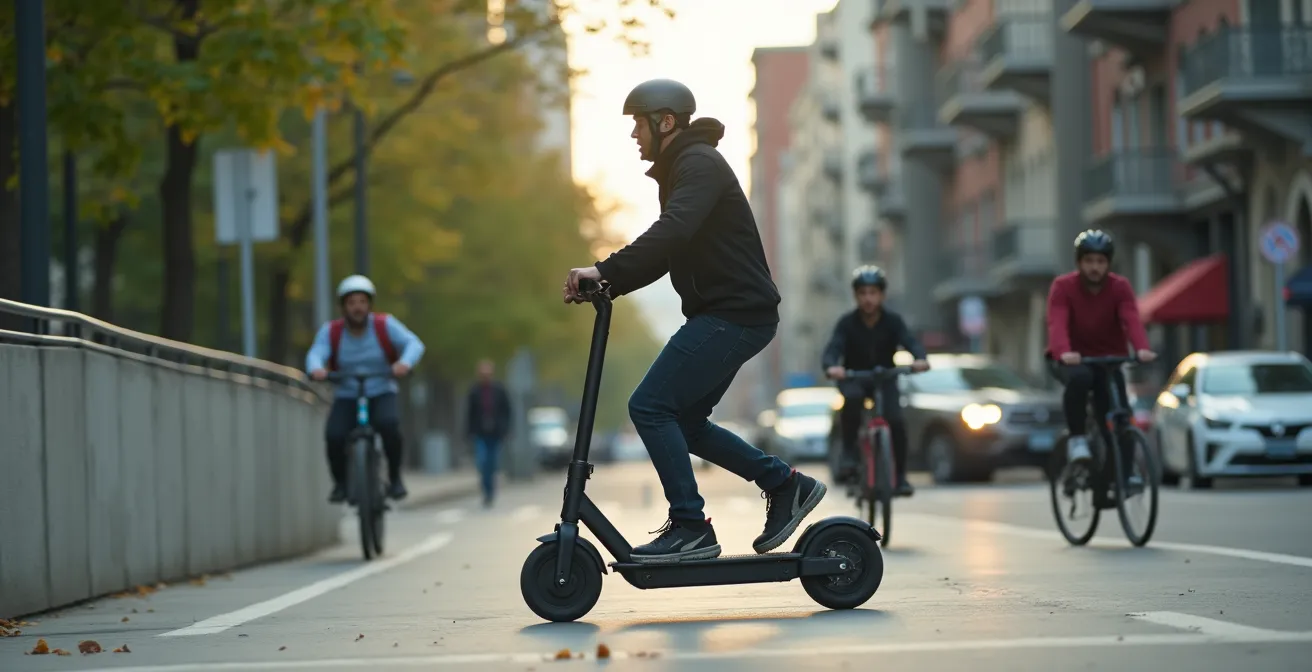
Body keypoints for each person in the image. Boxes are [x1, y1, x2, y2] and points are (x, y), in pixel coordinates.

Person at [561, 78, 826, 564]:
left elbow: (673, 232)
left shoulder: (698, 164)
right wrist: (608, 283)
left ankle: (690, 525)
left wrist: (604, 269)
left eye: (638, 124)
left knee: (650, 406)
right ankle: (785, 485)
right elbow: (671, 251)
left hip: (733, 314)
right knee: (685, 422)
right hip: (730, 314)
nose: (634, 135)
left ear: (665, 122)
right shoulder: (684, 168)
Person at [307, 275, 426, 503]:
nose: (357, 308)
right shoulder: (331, 331)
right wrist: (316, 369)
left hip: (381, 389)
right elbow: (316, 353)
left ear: (369, 304)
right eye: (351, 303)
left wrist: (404, 363)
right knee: (334, 435)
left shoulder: (384, 325)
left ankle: (395, 478)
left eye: (362, 302)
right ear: (343, 307)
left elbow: (414, 344)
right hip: (347, 393)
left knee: (389, 426)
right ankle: (340, 484)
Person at [1045, 230, 1156, 467]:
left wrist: (1141, 348)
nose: (1094, 267)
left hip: (1108, 362)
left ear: (1108, 263)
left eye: (1100, 261)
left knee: (1120, 418)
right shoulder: (1063, 287)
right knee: (1081, 379)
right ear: (1079, 263)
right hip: (1072, 360)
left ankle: (1122, 478)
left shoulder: (1120, 287)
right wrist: (1064, 351)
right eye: (1089, 261)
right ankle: (1077, 438)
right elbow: (1057, 322)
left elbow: (1131, 319)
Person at [822, 265, 929, 496]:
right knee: (852, 400)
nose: (868, 298)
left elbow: (910, 341)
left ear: (882, 295)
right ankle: (850, 453)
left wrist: (920, 358)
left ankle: (900, 477)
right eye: (863, 293)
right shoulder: (846, 323)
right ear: (856, 296)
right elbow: (833, 348)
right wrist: (832, 366)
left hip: (885, 378)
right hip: (855, 377)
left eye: (873, 293)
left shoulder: (893, 321)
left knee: (896, 420)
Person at [465, 359, 513, 508]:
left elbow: (507, 410)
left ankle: (490, 490)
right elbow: (470, 413)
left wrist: (505, 429)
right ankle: (486, 490)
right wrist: (469, 431)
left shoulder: (499, 390)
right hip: (480, 432)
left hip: (495, 432)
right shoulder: (474, 391)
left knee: (493, 462)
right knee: (482, 461)